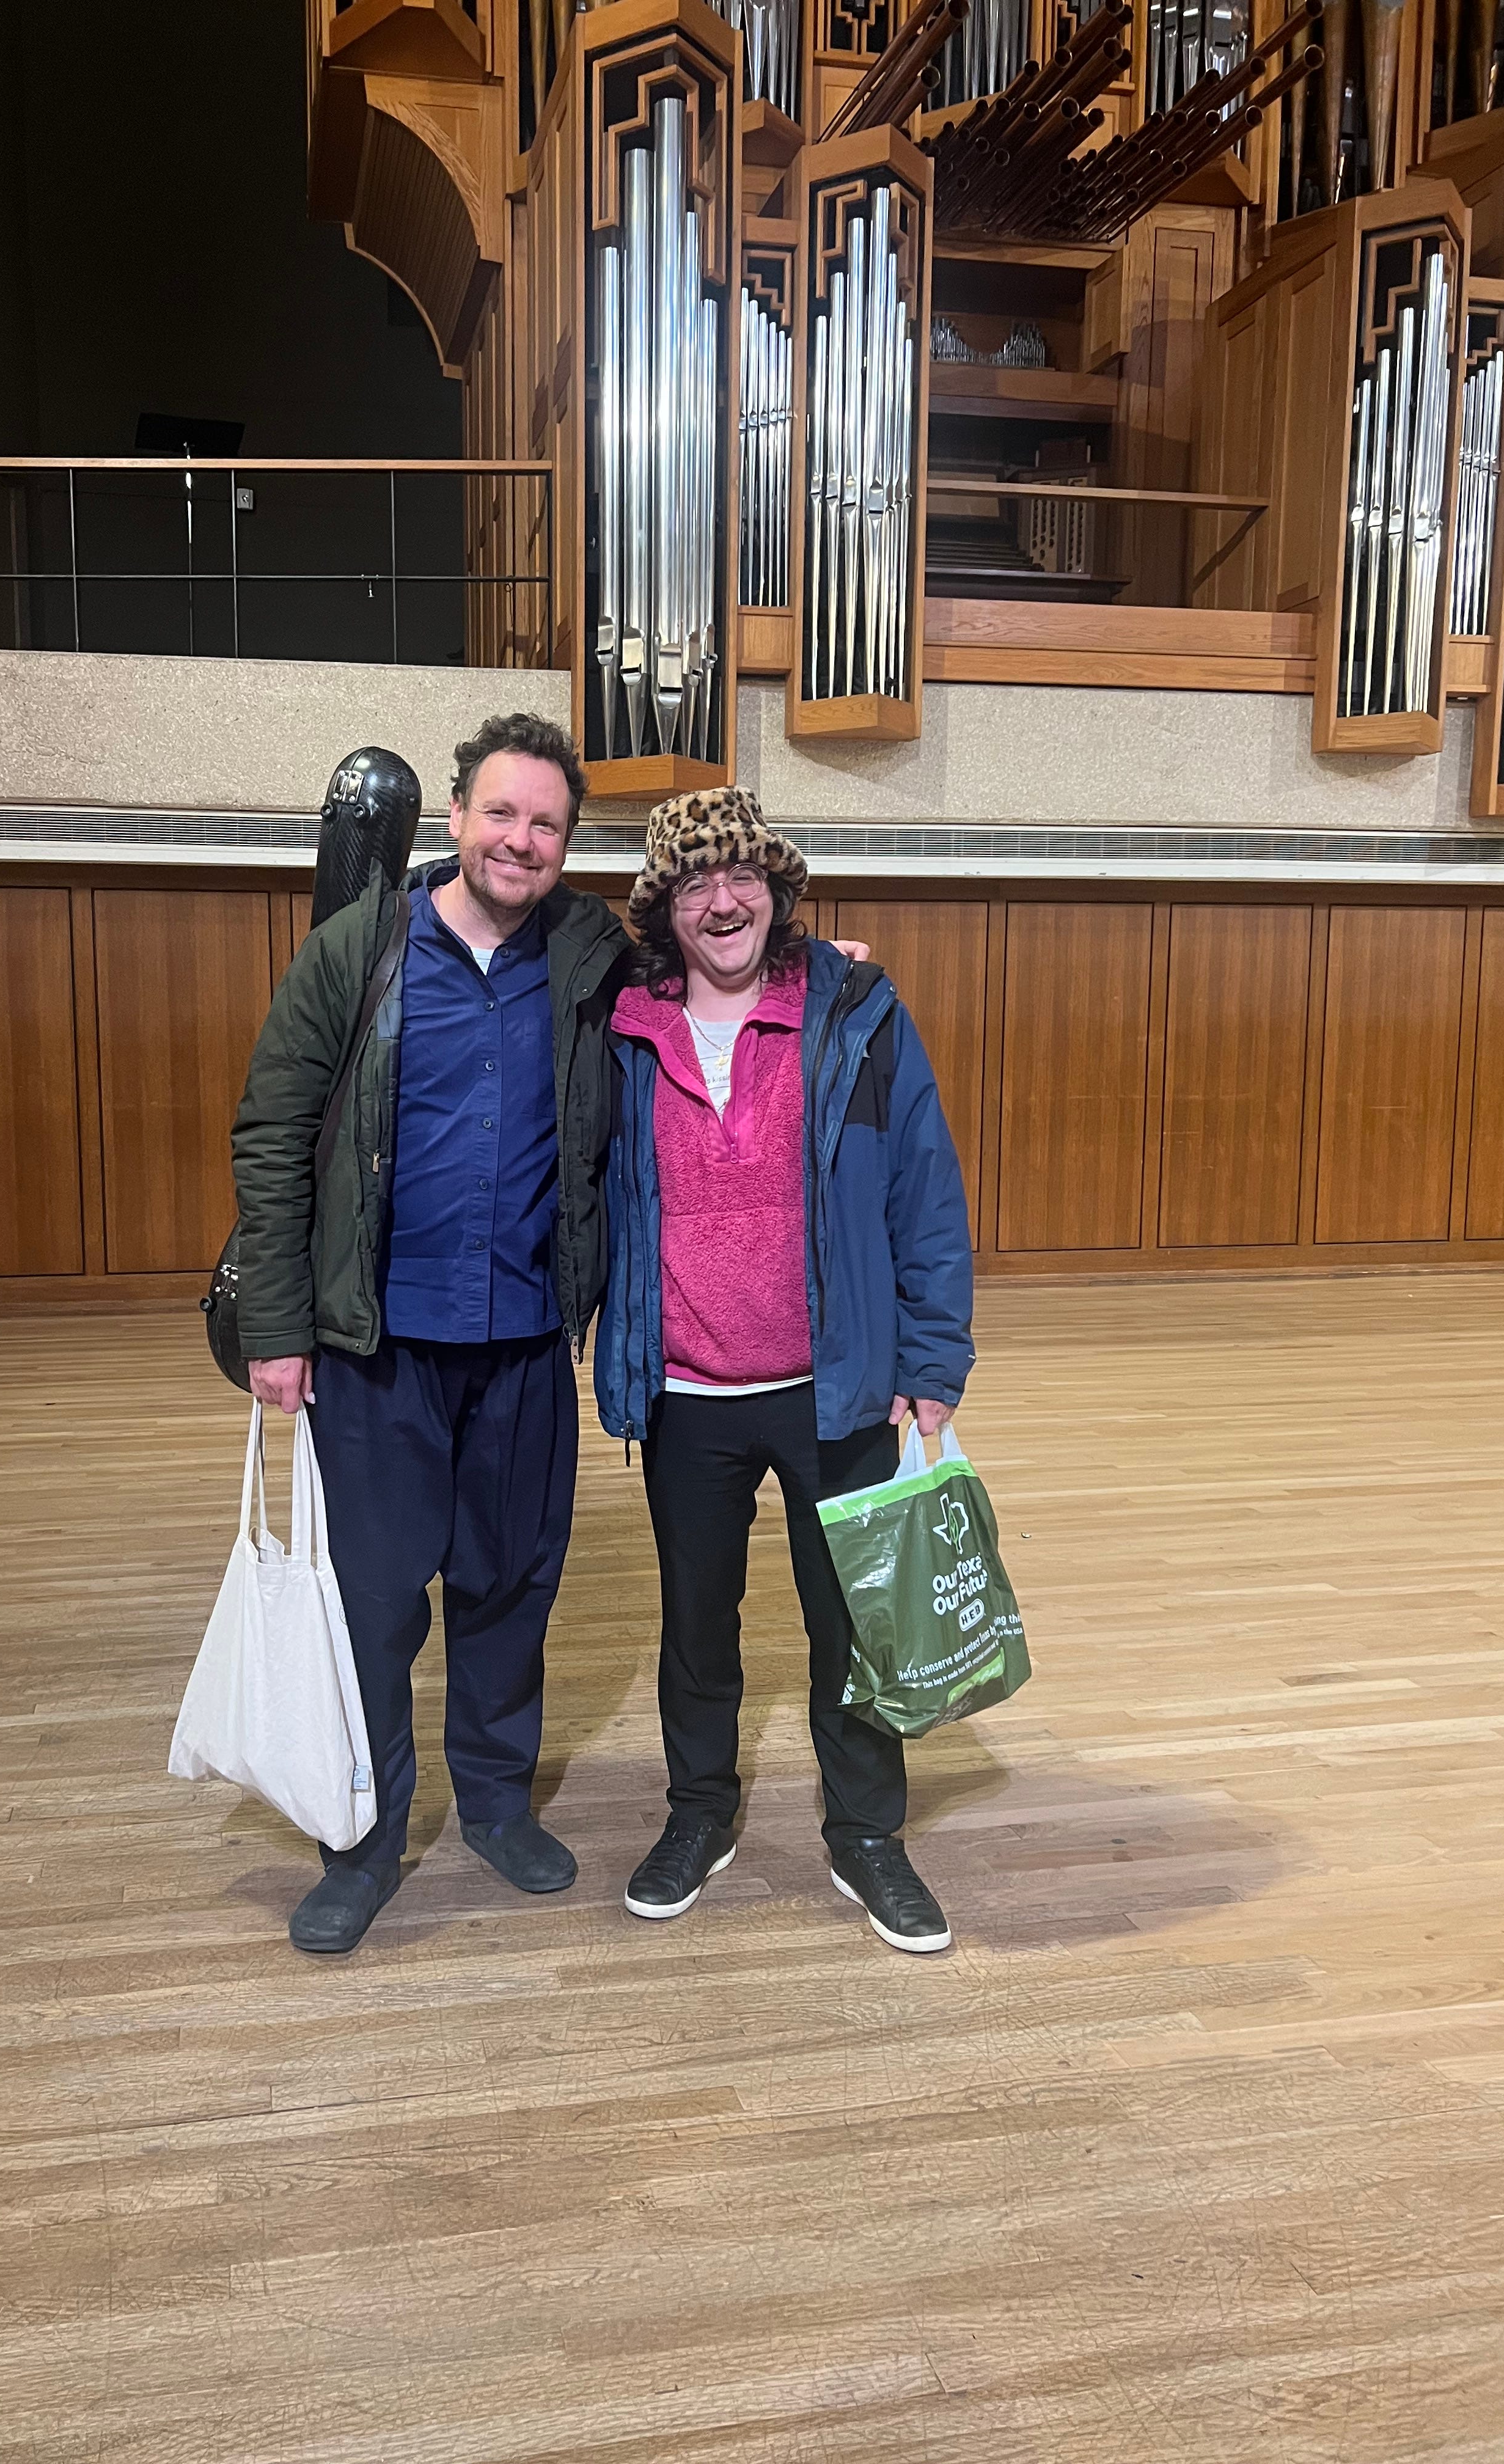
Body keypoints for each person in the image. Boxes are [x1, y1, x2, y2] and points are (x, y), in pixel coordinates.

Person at [232, 712, 630, 1955]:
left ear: (568, 843)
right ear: (455, 817)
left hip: (523, 1344)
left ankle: (498, 1806)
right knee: (373, 1603)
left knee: (509, 1587)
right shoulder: (361, 947)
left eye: (547, 824)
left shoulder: (592, 957)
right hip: (377, 1348)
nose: (521, 839)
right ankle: (360, 1839)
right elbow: (273, 1135)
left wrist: (819, 968)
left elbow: (717, 976)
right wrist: (277, 1327)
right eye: (501, 812)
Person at [594, 787, 976, 1955]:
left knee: (851, 1627)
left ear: (778, 891)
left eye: (743, 876)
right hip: (687, 1393)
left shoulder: (856, 1012)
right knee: (696, 1628)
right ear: (662, 909)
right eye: (695, 883)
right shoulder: (616, 1025)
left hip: (835, 1387)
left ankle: (866, 1835)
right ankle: (700, 1813)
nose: (723, 902)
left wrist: (934, 1353)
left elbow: (923, 1187)